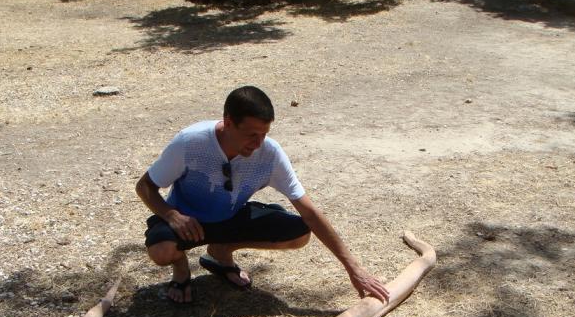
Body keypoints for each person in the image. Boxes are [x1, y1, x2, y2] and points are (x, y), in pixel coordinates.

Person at [136, 86, 390, 304]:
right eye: (251, 135)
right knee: (161, 251)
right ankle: (181, 269)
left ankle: (221, 251)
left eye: (264, 134)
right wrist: (171, 215)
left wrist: (354, 268)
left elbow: (310, 213)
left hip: (231, 217)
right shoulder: (190, 142)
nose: (258, 144)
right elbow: (145, 186)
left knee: (299, 233)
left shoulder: (270, 154)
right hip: (186, 223)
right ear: (228, 122)